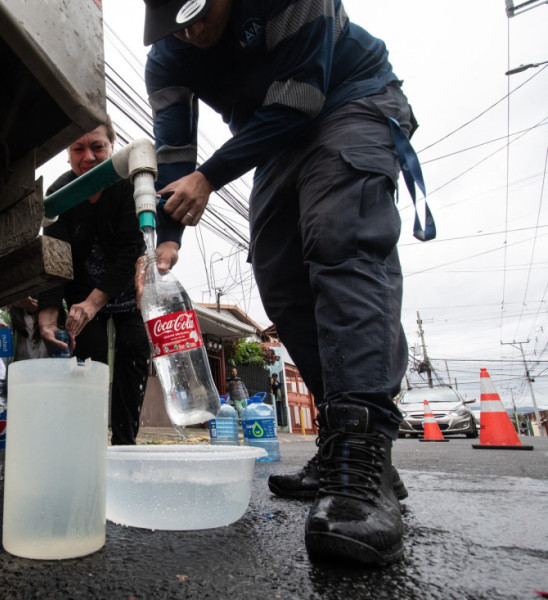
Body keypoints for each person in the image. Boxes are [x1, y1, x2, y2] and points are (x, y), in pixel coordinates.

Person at [141, 0, 423, 566]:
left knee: (339, 240)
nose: (192, 33)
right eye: (177, 24)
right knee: (279, 276)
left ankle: (362, 452)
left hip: (349, 99)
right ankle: (346, 447)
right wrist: (167, 235)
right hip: (272, 136)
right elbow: (174, 149)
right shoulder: (169, 55)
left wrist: (211, 177)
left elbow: (301, 100)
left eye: (199, 15)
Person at [38, 118, 151, 446]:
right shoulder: (59, 193)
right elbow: (55, 257)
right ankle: (86, 444)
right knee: (89, 360)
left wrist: (94, 302)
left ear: (112, 147)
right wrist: (48, 315)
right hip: (81, 295)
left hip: (128, 290)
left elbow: (133, 249)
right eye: (78, 148)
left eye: (97, 147)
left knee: (133, 355)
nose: (88, 156)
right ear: (68, 154)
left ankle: (125, 444)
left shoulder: (129, 184)